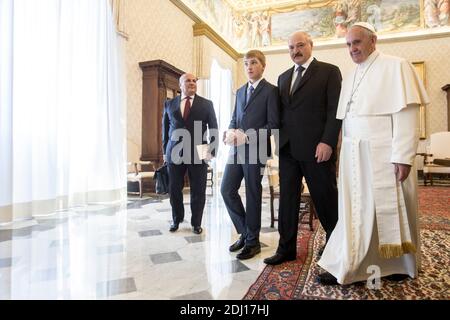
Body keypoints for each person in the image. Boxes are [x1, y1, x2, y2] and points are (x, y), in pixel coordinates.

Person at [317, 22, 429, 285]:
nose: (352, 49)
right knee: (356, 212)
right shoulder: (352, 74)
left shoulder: (396, 66)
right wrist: (340, 155)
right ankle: (352, 263)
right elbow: (346, 120)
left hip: (384, 153)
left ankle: (397, 263)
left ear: (373, 40)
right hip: (354, 157)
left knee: (386, 210)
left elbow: (406, 114)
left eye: (356, 42)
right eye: (348, 44)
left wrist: (403, 155)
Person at [264, 32, 342, 265]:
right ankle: (286, 249)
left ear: (311, 46)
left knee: (325, 198)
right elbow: (280, 113)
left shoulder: (329, 71)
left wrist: (328, 141)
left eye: (300, 46)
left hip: (317, 149)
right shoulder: (283, 77)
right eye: (291, 47)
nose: (295, 51)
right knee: (287, 200)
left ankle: (336, 246)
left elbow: (334, 111)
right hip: (288, 150)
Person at [221, 50, 280, 260]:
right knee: (226, 189)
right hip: (236, 150)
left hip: (256, 150)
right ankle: (246, 233)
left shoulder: (271, 91)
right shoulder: (239, 91)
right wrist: (228, 133)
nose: (249, 67)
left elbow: (273, 125)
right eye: (246, 63)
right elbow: (234, 119)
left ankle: (253, 242)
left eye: (253, 63)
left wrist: (246, 137)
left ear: (263, 66)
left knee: (253, 194)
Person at [162, 73, 218, 234]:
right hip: (174, 152)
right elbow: (165, 129)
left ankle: (196, 223)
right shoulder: (169, 104)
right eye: (188, 81)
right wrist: (165, 151)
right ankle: (176, 219)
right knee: (174, 189)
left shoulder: (206, 104)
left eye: (194, 81)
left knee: (198, 189)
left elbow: (213, 128)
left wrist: (212, 150)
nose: (192, 83)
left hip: (199, 152)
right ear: (180, 85)